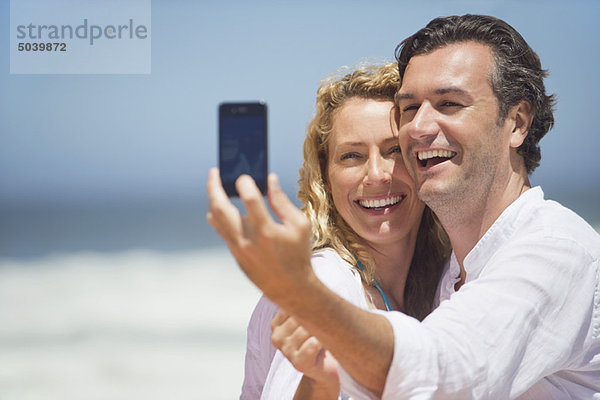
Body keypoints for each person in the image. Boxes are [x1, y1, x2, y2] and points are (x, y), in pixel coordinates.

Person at [207, 14, 600, 399]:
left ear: (516, 123)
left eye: (449, 103)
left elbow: (447, 372)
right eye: (409, 108)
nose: (420, 127)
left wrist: (308, 297)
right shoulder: (441, 274)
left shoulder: (553, 250)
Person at [238, 63, 450, 399]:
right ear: (325, 178)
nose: (377, 175)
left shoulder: (442, 282)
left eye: (393, 150)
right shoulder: (327, 283)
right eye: (352, 156)